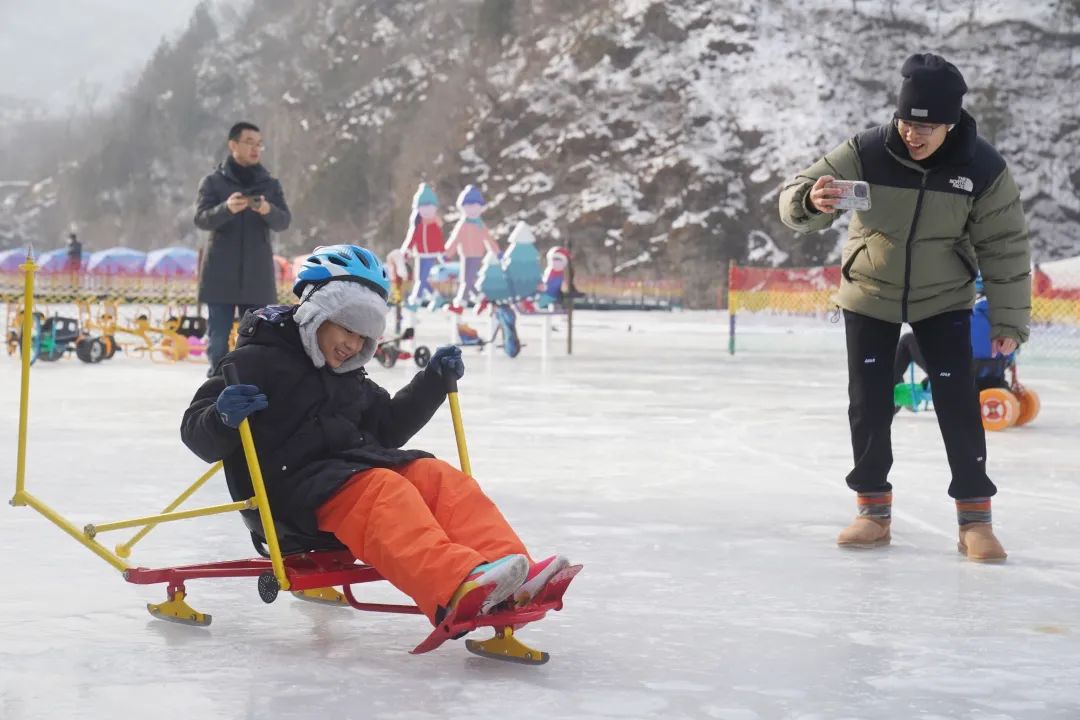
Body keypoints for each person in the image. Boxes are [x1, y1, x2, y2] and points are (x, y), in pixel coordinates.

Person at [181, 244, 568, 625]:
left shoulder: (348, 375)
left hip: (346, 477)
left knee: (434, 475)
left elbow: (387, 428)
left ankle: (514, 572)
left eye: (364, 336)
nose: (353, 344)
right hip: (289, 498)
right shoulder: (255, 361)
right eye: (347, 328)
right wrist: (221, 416)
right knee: (383, 489)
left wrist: (432, 382)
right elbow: (194, 430)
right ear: (316, 313)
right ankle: (455, 585)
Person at [779, 53, 1030, 562]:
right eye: (906, 123)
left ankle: (975, 521)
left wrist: (1008, 320)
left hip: (944, 296)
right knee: (869, 402)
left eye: (927, 128)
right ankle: (872, 512)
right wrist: (811, 201)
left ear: (950, 123)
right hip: (870, 291)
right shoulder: (867, 150)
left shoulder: (981, 168)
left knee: (958, 403)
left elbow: (1005, 247)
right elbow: (794, 195)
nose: (913, 136)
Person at [194, 121, 292, 374]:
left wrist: (267, 210)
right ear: (233, 145)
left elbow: (283, 221)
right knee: (218, 342)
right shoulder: (213, 182)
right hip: (220, 276)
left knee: (256, 340)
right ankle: (217, 385)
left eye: (259, 144)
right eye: (249, 142)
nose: (255, 148)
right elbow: (201, 219)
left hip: (257, 277)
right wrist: (226, 209)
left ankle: (251, 386)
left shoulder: (270, 184)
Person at [893, 275, 1015, 399]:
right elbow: (1010, 356)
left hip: (957, 378)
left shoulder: (962, 310)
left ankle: (889, 387)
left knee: (908, 340)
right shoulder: (1007, 318)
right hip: (993, 378)